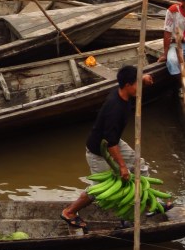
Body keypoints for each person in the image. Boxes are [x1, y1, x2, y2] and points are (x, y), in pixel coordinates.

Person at [60, 65, 172, 229]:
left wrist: (143, 78)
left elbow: (114, 141)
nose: (139, 87)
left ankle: (149, 204)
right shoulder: (115, 108)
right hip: (100, 151)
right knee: (99, 189)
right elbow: (110, 144)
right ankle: (69, 212)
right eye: (137, 84)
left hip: (114, 142)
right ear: (127, 85)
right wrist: (122, 166)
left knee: (139, 166)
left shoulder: (123, 91)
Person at [160, 0, 185, 77]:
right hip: (175, 44)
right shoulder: (173, 11)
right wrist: (165, 54)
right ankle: (180, 81)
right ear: (182, 1)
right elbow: (167, 32)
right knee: (172, 61)